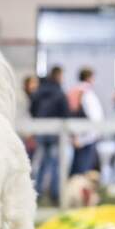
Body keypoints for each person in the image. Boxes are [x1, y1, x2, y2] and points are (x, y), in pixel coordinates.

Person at [30, 66, 69, 202]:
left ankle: (37, 192)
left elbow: (33, 108)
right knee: (54, 163)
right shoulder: (59, 91)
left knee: (41, 161)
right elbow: (65, 111)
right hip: (55, 131)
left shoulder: (40, 90)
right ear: (58, 75)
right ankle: (55, 194)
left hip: (41, 129)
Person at [68, 68, 103, 176]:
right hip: (85, 136)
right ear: (89, 78)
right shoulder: (85, 92)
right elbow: (93, 116)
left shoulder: (75, 91)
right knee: (82, 171)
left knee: (78, 168)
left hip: (80, 135)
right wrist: (82, 138)